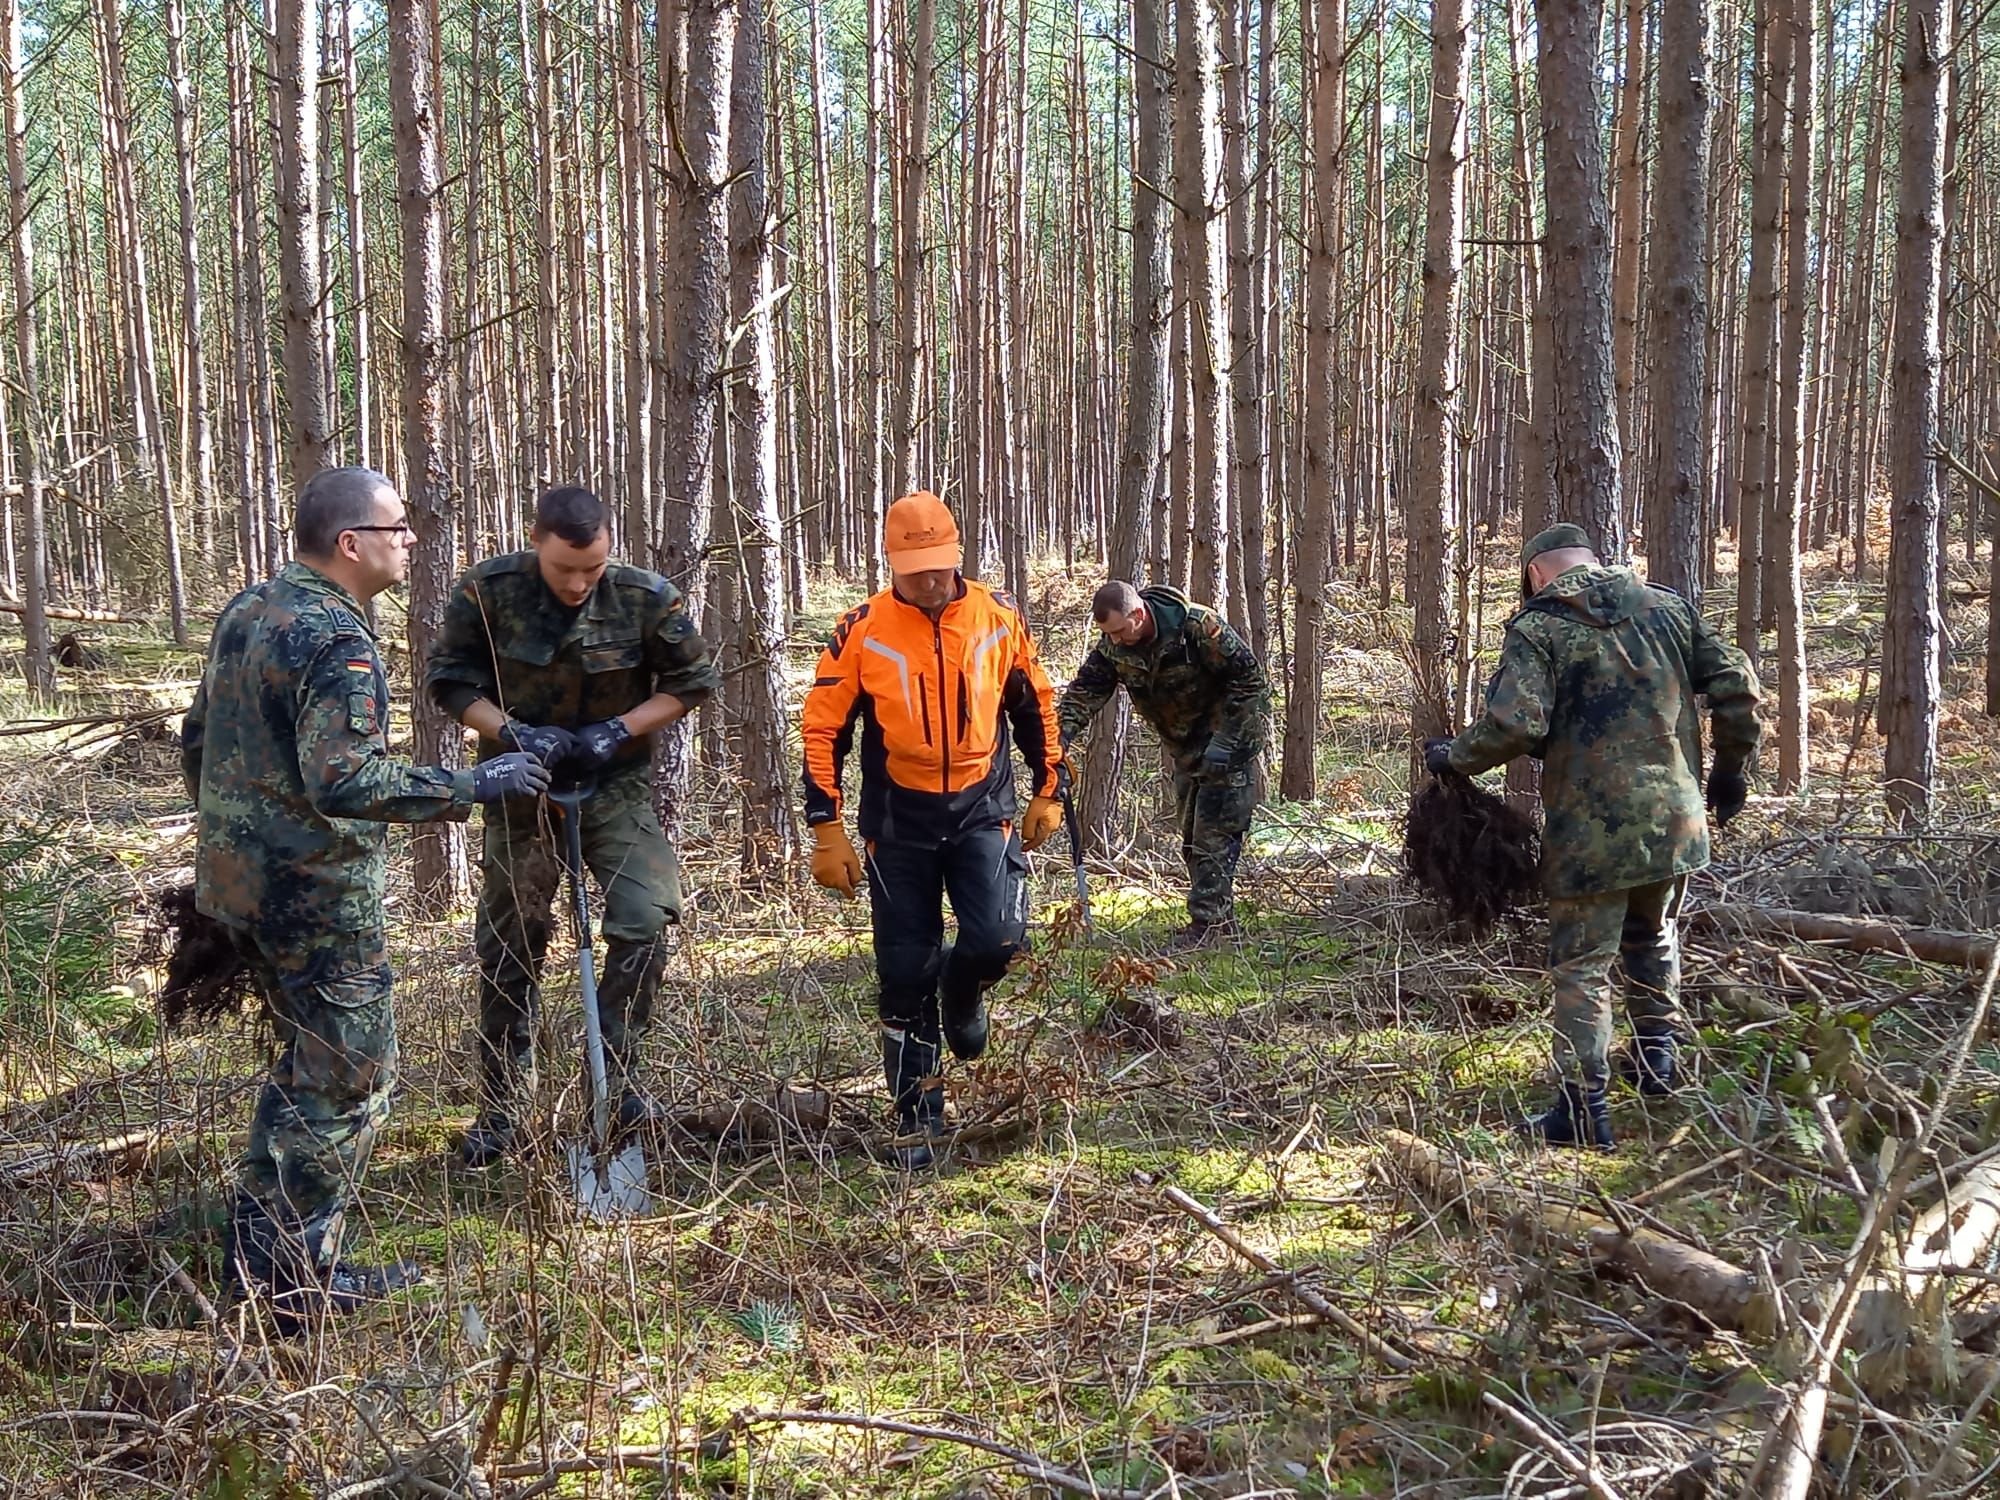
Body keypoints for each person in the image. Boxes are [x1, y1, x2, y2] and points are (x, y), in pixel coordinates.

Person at [182, 467, 552, 1322]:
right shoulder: (336, 642)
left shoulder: (250, 610)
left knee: (304, 1067)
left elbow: (199, 739)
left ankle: (263, 1265)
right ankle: (294, 1282)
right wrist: (473, 784)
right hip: (313, 896)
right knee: (348, 1077)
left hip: (241, 886)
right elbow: (346, 779)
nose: (411, 541)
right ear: (351, 544)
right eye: (397, 528)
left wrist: (232, 837)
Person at [1424, 523, 1761, 1150]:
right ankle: (1658, 1064)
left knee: (1583, 966)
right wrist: (1730, 770)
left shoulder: (1540, 628)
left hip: (1591, 832)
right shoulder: (1668, 608)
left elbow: (1514, 725)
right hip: (1675, 822)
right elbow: (1736, 686)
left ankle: (1582, 1110)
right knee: (1653, 935)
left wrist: (1454, 758)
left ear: (1536, 575)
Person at [424, 486, 720, 1168]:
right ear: (537, 543)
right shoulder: (488, 591)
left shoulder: (646, 598)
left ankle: (617, 1084)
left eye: (593, 567)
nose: (580, 583)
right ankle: (502, 1106)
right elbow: (448, 680)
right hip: (520, 785)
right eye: (565, 569)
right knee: (510, 940)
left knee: (645, 919)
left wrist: (619, 728)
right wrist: (513, 732)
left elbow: (692, 682)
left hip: (611, 784)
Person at [800, 492, 1067, 1168]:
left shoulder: (997, 617)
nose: (930, 579)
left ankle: (966, 990)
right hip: (900, 819)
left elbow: (1034, 702)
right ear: (892, 563)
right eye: (916, 568)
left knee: (1000, 940)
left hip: (983, 806)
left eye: (940, 566)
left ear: (957, 556)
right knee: (903, 970)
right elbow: (824, 726)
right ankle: (917, 1115)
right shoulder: (861, 629)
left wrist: (1049, 787)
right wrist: (824, 824)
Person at [1056, 580, 1272, 945]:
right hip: (1185, 748)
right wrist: (1057, 739)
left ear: (1138, 614)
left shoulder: (1198, 628)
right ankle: (1217, 921)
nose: (1118, 640)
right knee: (1190, 835)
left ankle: (1211, 927)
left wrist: (1229, 741)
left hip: (1229, 742)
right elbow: (1087, 690)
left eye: (1121, 630)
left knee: (1213, 835)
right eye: (1110, 634)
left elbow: (1250, 680)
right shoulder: (1116, 645)